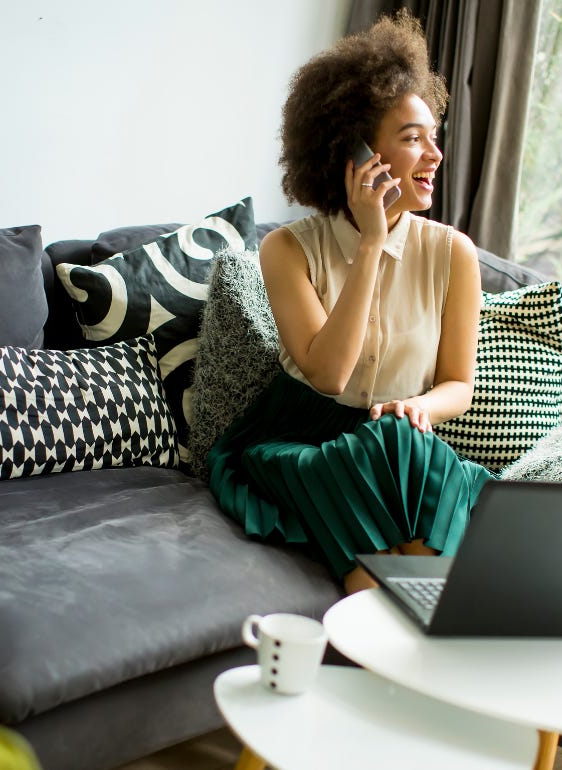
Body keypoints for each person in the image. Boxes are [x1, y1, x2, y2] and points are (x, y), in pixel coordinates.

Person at [207, 10, 494, 594]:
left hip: (401, 436)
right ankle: (403, 638)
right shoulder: (287, 249)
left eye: (432, 136)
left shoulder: (455, 255)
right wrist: (371, 243)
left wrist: (421, 410)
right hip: (301, 438)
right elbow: (330, 375)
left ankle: (421, 631)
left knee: (401, 444)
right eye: (413, 139)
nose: (435, 155)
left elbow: (458, 385)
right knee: (370, 456)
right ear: (355, 155)